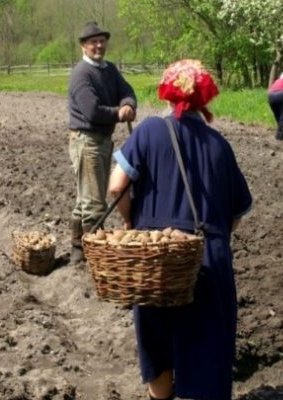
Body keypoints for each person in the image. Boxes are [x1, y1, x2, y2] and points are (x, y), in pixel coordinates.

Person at [107, 59, 253, 400]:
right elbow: (237, 213)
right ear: (205, 97)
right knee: (208, 353)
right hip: (207, 259)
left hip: (155, 262)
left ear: (167, 93)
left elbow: (116, 188)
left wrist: (131, 226)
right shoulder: (219, 145)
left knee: (158, 352)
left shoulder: (148, 131)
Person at [68, 21, 137, 264]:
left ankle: (78, 250)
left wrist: (128, 103)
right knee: (94, 202)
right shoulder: (81, 74)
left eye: (102, 41)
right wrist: (119, 113)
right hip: (87, 140)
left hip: (102, 139)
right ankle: (95, 257)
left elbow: (127, 90)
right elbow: (92, 111)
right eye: (93, 42)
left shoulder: (108, 69)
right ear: (84, 46)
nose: (99, 45)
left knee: (85, 198)